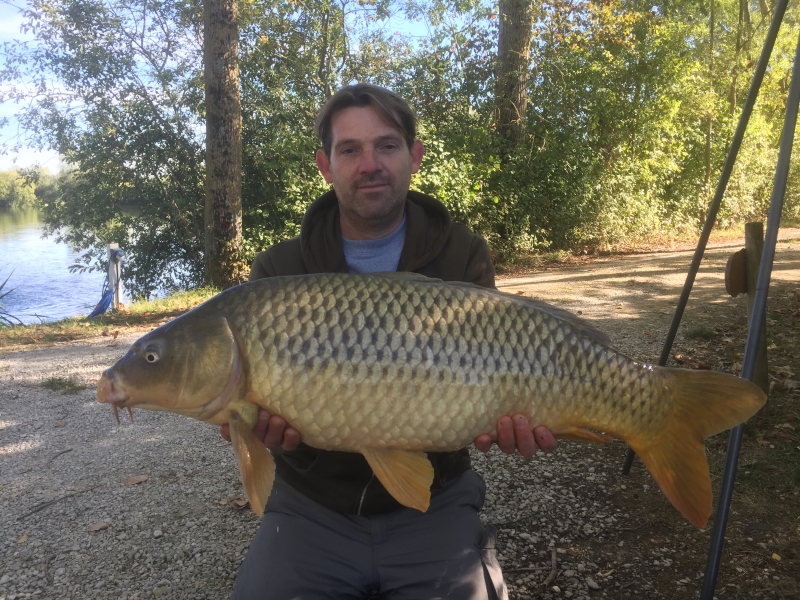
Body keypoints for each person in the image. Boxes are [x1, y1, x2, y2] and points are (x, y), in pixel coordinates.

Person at [223, 83, 557, 600]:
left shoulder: (462, 254)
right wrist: (255, 429)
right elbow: (256, 441)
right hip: (312, 505)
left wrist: (517, 417)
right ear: (325, 165)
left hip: (436, 500)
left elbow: (500, 372)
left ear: (414, 156)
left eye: (387, 145)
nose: (369, 164)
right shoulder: (277, 273)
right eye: (349, 150)